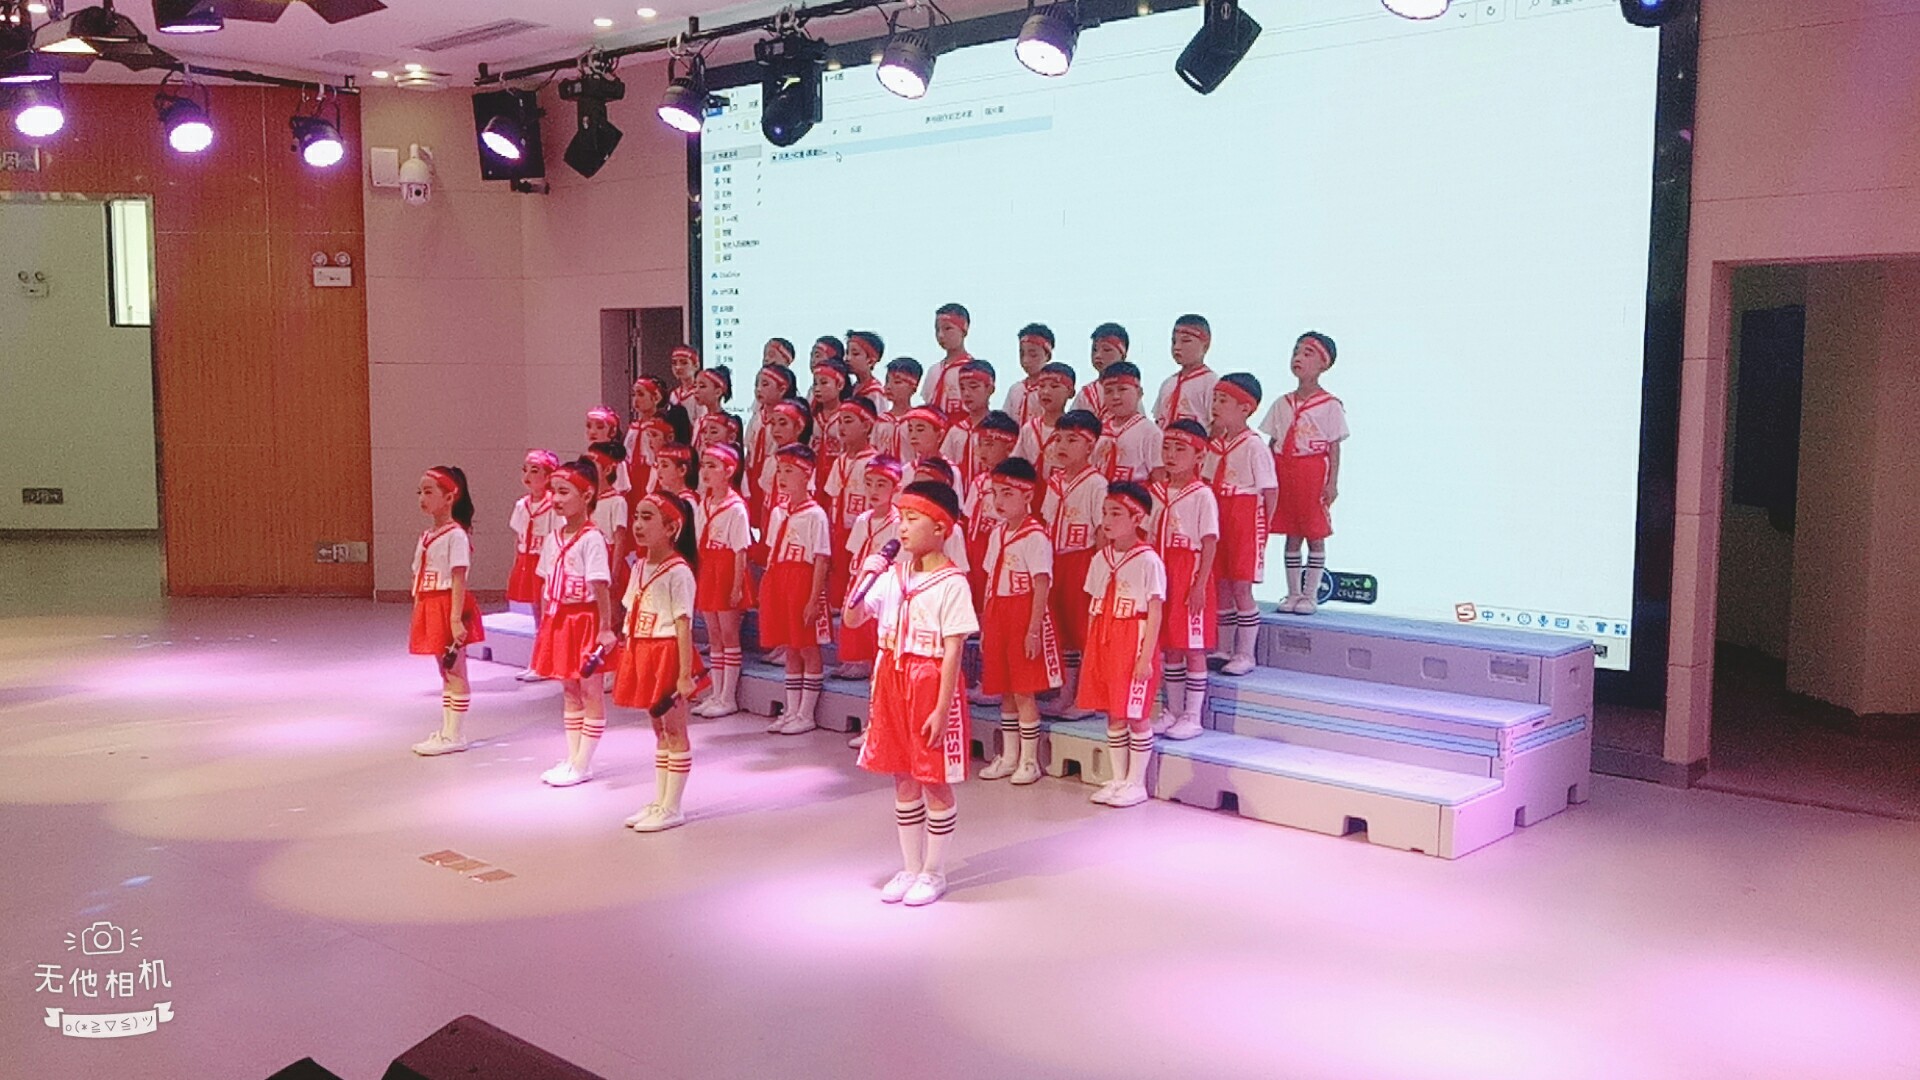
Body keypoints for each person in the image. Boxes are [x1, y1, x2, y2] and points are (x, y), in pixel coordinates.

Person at [846, 480, 978, 907]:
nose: (901, 527)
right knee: (902, 774)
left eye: (912, 519)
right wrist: (864, 574)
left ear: (940, 528)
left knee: (933, 778)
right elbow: (851, 619)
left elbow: (954, 649)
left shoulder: (952, 582)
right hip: (891, 675)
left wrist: (942, 707)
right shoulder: (892, 575)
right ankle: (910, 865)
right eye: (900, 519)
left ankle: (933, 871)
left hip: (929, 678)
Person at [614, 491, 704, 832]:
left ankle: (673, 806)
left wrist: (684, 673)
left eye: (648, 517)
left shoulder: (678, 571)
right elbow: (630, 611)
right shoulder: (639, 566)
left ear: (671, 528)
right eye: (637, 516)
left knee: (675, 728)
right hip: (642, 648)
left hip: (666, 651)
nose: (638, 524)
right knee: (658, 729)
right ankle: (660, 799)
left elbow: (683, 624)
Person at [528, 458, 619, 786]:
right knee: (569, 688)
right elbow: (545, 582)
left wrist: (605, 628)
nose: (556, 498)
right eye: (553, 491)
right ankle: (573, 756)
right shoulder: (553, 537)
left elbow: (600, 585)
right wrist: (545, 623)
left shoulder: (592, 538)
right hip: (560, 618)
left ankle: (583, 762)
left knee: (590, 689)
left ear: (587, 495)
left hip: (585, 619)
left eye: (564, 492)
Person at [1078, 482, 1166, 807]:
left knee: (1135, 712)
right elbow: (1093, 605)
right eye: (1104, 513)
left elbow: (1155, 611)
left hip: (1133, 636)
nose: (1107, 520)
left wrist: (1145, 658)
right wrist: (1091, 650)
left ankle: (1136, 782)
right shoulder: (1100, 558)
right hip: (1104, 635)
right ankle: (1117, 778)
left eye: (1116, 513)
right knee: (1112, 712)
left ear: (1137, 518)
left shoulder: (1148, 560)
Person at [976, 457, 1062, 784]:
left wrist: (1033, 630)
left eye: (1008, 494)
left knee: (1024, 690)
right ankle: (1009, 756)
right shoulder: (997, 533)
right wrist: (987, 625)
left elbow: (1042, 584)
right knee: (1005, 689)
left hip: (1023, 611)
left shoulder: (1035, 536)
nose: (999, 501)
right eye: (995, 493)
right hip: (999, 612)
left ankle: (1029, 760)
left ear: (1027, 495)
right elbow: (990, 580)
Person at [1260, 331, 1350, 615]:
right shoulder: (1282, 403)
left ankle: (1310, 594)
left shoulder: (1330, 405)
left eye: (1307, 353)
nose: (1298, 358)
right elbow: (1272, 441)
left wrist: (1332, 483)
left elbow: (1334, 447)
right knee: (1291, 531)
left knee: (1313, 531)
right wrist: (1266, 476)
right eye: (1296, 352)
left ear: (1324, 363)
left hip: (1311, 470)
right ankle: (1293, 592)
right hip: (1283, 469)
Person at [1149, 421, 1220, 740]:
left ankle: (1193, 714)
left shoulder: (1202, 495)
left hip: (1188, 569)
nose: (1171, 455)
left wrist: (1200, 584)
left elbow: (1209, 542)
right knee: (1170, 646)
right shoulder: (1156, 492)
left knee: (1193, 646)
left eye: (1180, 449)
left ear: (1199, 456)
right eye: (1167, 447)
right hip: (1161, 569)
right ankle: (1173, 710)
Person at [409, 466, 485, 756]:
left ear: (450, 497)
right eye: (420, 492)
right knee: (445, 670)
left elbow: (458, 578)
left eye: (429, 492)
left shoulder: (456, 535)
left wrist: (455, 618)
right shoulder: (427, 535)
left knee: (455, 669)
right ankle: (447, 730)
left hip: (447, 603)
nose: (422, 498)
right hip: (430, 602)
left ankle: (455, 734)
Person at [759, 444, 832, 734]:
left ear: (806, 474)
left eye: (789, 471)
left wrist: (813, 599)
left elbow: (821, 559)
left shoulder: (816, 515)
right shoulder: (779, 512)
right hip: (780, 577)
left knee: (807, 646)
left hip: (803, 579)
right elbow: (771, 551)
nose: (782, 477)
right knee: (790, 646)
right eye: (780, 471)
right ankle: (791, 710)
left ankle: (806, 713)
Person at [1207, 373, 1278, 675]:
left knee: (1241, 585)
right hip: (1219, 512)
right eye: (1214, 399)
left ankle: (1246, 653)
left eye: (1223, 400)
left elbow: (1270, 490)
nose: (1215, 405)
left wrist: (1263, 530)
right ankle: (1223, 647)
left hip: (1245, 515)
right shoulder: (1216, 446)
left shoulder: (1254, 446)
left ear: (1245, 408)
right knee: (1221, 583)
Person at [1039, 409, 1107, 716]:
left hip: (1082, 559)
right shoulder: (1054, 482)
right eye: (1059, 439)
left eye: (1072, 440)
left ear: (1090, 445)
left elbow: (1101, 530)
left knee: (1083, 631)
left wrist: (1099, 570)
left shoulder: (1096, 484)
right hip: (1056, 560)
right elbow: (1047, 521)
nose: (1062, 446)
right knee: (1063, 630)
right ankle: (1066, 692)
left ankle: (1087, 697)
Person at [834, 454, 905, 689]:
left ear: (896, 488)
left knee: (878, 635)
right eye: (869, 483)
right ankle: (860, 663)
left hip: (883, 584)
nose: (873, 490)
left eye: (881, 484)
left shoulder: (899, 523)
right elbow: (854, 553)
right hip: (861, 579)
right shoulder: (863, 519)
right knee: (856, 625)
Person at [693, 444, 753, 717]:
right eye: (704, 465)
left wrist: (737, 586)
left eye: (713, 466)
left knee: (728, 634)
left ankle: (728, 697)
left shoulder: (736, 507)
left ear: (728, 471)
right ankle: (716, 693)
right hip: (709, 567)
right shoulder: (703, 503)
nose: (706, 471)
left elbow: (741, 550)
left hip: (727, 568)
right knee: (714, 634)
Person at [506, 449, 560, 682]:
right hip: (527, 560)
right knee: (537, 614)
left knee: (546, 613)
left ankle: (545, 662)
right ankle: (538, 662)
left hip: (544, 563)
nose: (527, 476)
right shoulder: (522, 505)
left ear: (548, 476)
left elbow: (556, 538)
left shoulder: (553, 506)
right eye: (525, 470)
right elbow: (517, 536)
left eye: (534, 471)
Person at [823, 398, 881, 607]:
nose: (841, 427)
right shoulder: (840, 461)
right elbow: (832, 496)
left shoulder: (875, 461)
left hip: (864, 529)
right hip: (840, 528)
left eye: (848, 421)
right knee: (838, 572)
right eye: (840, 421)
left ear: (866, 426)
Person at [1094, 361, 1162, 483]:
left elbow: (1159, 477)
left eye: (1122, 389)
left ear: (1139, 393)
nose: (1115, 397)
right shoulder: (1099, 430)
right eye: (1108, 391)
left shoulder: (1150, 432)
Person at [1153, 314, 1219, 430]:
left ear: (1206, 344)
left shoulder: (1210, 382)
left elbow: (1217, 425)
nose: (1177, 347)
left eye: (1186, 341)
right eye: (1174, 341)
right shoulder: (1168, 383)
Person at [940, 359, 997, 489]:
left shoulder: (998, 430)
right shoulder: (956, 431)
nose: (966, 393)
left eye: (973, 387)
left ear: (990, 389)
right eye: (962, 388)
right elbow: (945, 466)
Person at [1016, 362, 1077, 473]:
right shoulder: (1029, 429)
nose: (1046, 391)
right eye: (1041, 386)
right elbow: (1017, 463)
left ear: (1070, 392)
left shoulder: (1075, 432)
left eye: (1054, 386)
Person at [921, 302, 974, 415]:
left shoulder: (973, 369)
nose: (940, 335)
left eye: (947, 328)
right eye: (937, 330)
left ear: (964, 329)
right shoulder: (934, 371)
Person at [1074, 322, 1131, 417]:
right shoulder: (1086, 393)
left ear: (1123, 355)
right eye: (1094, 350)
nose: (1098, 355)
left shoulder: (1129, 390)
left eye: (1106, 350)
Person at [1003, 323, 1054, 425]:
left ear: (1047, 356)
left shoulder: (1051, 390)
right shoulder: (1015, 390)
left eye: (1033, 355)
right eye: (1022, 354)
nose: (1026, 360)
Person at [874, 356, 923, 461]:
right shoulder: (881, 421)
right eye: (887, 381)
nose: (889, 386)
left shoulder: (917, 422)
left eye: (897, 382)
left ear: (913, 387)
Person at [846, 330, 889, 413]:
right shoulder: (852, 388)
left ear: (870, 361)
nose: (848, 358)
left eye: (855, 354)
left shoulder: (875, 393)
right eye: (847, 353)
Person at [668, 345, 707, 429]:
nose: (678, 367)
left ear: (696, 365)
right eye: (674, 363)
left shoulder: (699, 393)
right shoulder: (674, 394)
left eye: (684, 363)